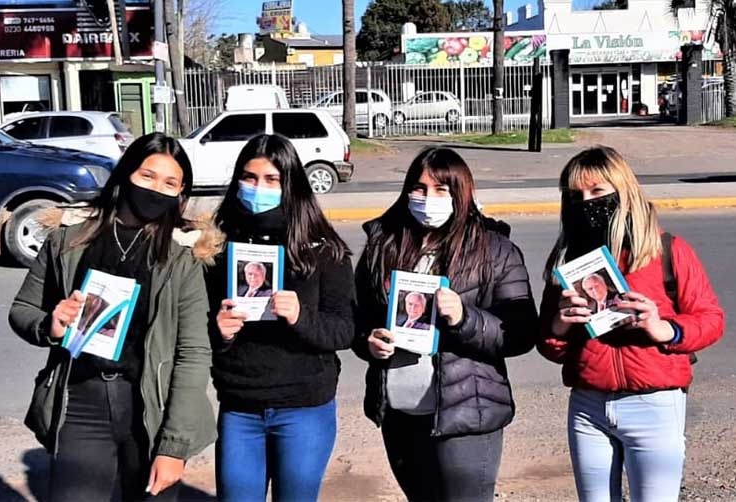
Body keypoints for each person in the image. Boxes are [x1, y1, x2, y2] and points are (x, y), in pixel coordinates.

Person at [9, 132, 219, 501]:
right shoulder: (69, 238)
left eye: (170, 183)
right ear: (125, 174)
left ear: (181, 191)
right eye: (146, 176)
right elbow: (22, 310)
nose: (156, 189)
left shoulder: (184, 256)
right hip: (81, 404)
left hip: (150, 408)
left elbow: (193, 354)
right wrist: (50, 325)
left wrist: (173, 446)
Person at [537, 146, 725, 502]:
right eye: (576, 195)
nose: (586, 202)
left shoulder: (667, 251)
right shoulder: (568, 265)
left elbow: (711, 320)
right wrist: (559, 327)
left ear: (624, 194)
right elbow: (549, 347)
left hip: (654, 404)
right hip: (588, 407)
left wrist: (664, 328)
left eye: (598, 191)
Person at [353, 147, 539, 502]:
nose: (428, 199)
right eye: (419, 189)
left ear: (461, 193)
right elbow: (359, 317)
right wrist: (368, 341)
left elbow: (520, 333)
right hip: (400, 414)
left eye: (441, 190)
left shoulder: (495, 250)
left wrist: (464, 318)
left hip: (466, 416)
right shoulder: (384, 245)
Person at [207, 134, 355, 502]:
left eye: (272, 180)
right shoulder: (216, 246)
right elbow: (192, 329)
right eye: (250, 178)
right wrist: (218, 330)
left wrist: (301, 317)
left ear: (291, 185)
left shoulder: (323, 249)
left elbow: (344, 329)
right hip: (240, 405)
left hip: (304, 406)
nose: (259, 188)